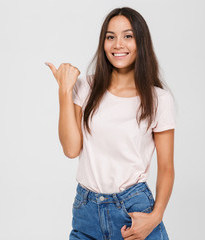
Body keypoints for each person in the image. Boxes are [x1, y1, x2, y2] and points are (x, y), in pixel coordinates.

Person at [45, 6, 175, 240]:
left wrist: (156, 216)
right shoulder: (86, 87)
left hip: (134, 209)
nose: (118, 45)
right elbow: (71, 149)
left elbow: (166, 167)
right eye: (110, 37)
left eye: (128, 36)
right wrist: (64, 91)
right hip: (86, 209)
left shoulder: (159, 99)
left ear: (141, 43)